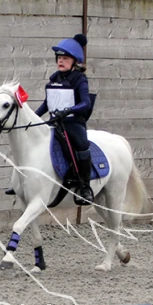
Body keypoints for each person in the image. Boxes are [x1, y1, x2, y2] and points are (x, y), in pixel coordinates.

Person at [35, 33, 94, 205]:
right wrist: (34, 117)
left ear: (74, 61)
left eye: (65, 58)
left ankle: (84, 186)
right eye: (59, 58)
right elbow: (47, 103)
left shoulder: (80, 79)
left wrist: (68, 111)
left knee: (82, 146)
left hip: (73, 123)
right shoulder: (54, 78)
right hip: (55, 122)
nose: (60, 61)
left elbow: (86, 103)